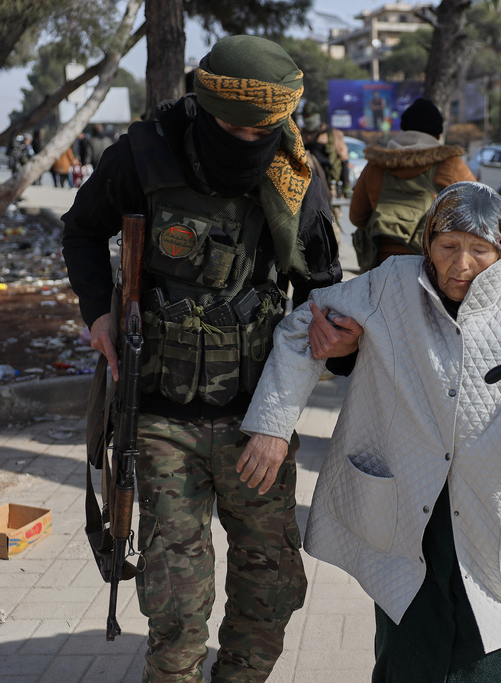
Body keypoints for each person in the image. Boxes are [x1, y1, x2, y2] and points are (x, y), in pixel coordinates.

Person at [239, 181, 501, 682]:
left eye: (479, 251)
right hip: (416, 507)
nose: (461, 265)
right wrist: (273, 426)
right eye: (448, 247)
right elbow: (301, 328)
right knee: (414, 649)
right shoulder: (390, 286)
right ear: (428, 243)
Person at [61, 35, 345, 681]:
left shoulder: (297, 175)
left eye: (261, 129)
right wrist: (98, 312)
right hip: (158, 415)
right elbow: (81, 228)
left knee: (271, 584)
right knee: (175, 595)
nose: (246, 139)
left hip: (256, 418)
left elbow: (323, 296)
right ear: (202, 103)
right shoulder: (143, 153)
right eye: (230, 126)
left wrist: (326, 361)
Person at [350, 97, 475, 268]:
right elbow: (476, 216)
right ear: (438, 135)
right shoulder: (452, 165)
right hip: (431, 267)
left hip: (382, 266)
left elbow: (357, 218)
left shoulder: (376, 166)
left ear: (403, 130)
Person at [300, 100, 349, 197]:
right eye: (305, 116)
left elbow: (344, 159)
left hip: (327, 183)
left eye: (309, 116)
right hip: (303, 183)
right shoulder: (299, 135)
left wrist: (346, 185)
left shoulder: (332, 134)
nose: (307, 119)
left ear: (317, 116)